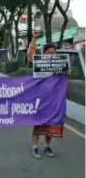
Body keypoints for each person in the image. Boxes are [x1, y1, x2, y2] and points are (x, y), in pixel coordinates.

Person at [27, 31, 71, 159]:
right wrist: (34, 38)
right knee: (39, 123)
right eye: (48, 53)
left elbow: (67, 78)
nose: (51, 55)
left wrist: (67, 73)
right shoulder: (39, 64)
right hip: (40, 100)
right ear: (44, 53)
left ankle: (47, 146)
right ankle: (34, 147)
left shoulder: (61, 65)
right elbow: (30, 55)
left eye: (53, 53)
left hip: (55, 101)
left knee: (52, 124)